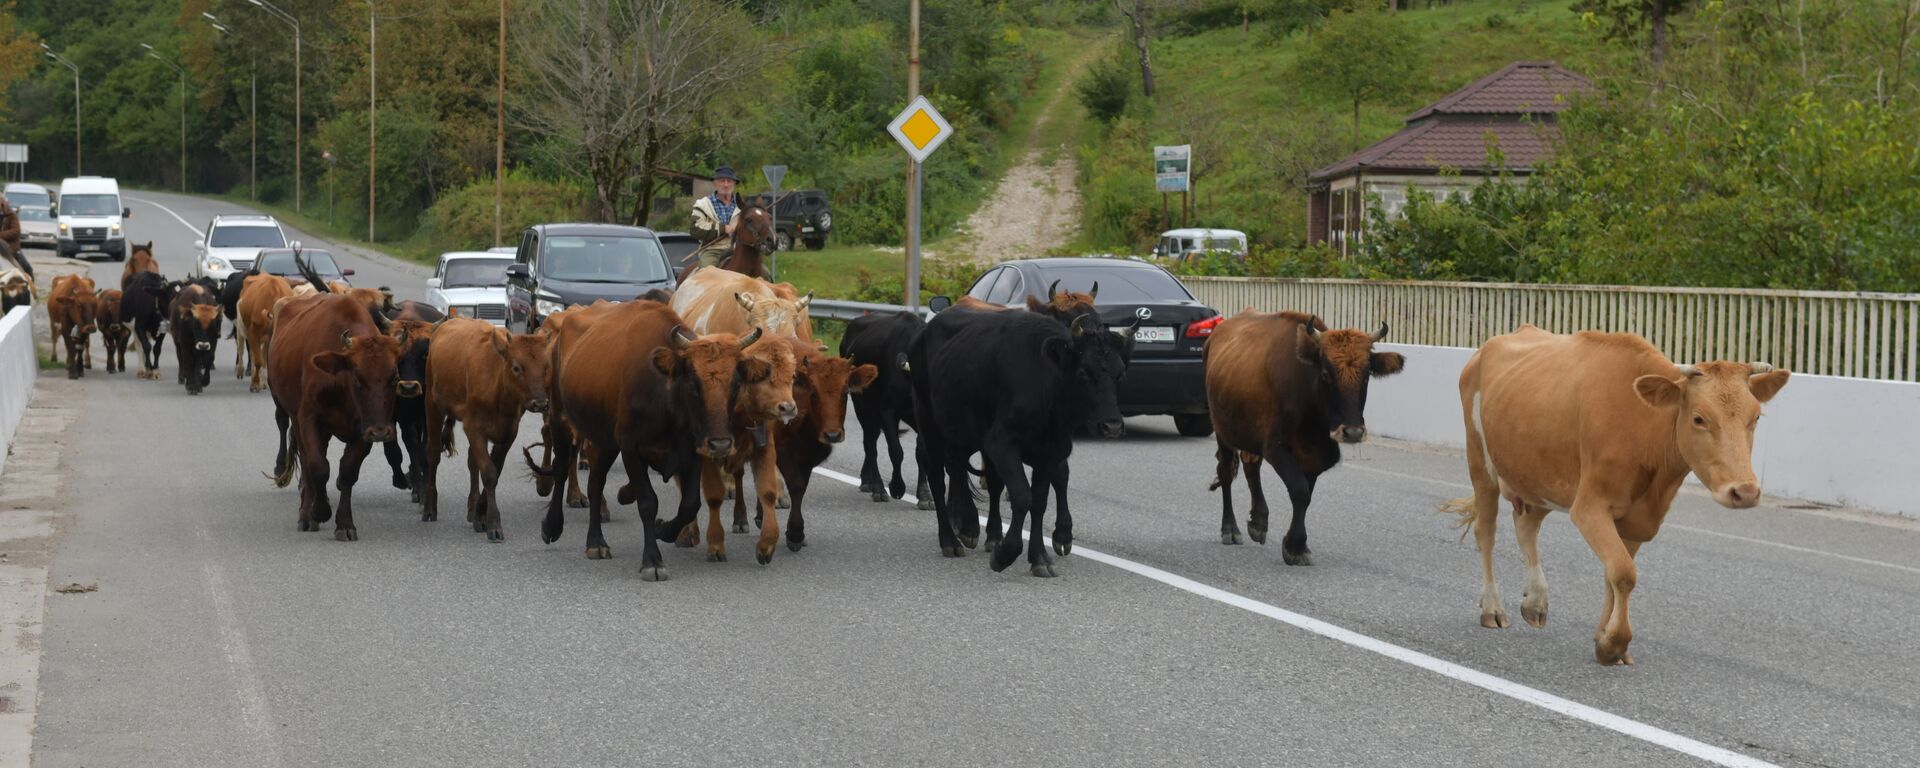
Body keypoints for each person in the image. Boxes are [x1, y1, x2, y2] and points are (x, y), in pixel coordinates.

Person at [689, 165, 743, 269]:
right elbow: (695, 229)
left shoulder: (743, 206)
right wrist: (723, 228)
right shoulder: (703, 205)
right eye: (722, 181)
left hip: (739, 250)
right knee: (705, 273)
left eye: (729, 181)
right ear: (715, 183)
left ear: (734, 184)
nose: (726, 184)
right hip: (713, 250)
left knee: (764, 274)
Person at [0, 198, 26, 277]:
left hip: (11, 248)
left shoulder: (12, 216)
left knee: (26, 267)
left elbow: (16, 230)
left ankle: (30, 286)